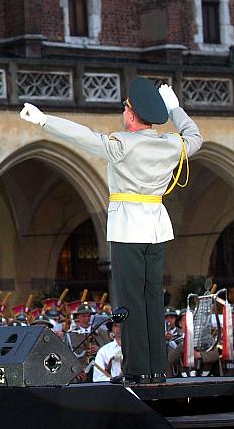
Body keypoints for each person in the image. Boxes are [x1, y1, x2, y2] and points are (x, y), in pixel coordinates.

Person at [21, 78, 202, 384]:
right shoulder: (172, 144)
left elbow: (83, 137)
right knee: (152, 299)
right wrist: (174, 108)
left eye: (126, 108)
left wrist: (43, 121)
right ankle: (156, 368)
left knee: (131, 300)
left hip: (128, 227)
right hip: (157, 226)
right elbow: (194, 135)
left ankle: (137, 370)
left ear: (131, 116)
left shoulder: (122, 144)